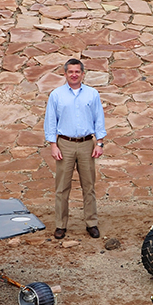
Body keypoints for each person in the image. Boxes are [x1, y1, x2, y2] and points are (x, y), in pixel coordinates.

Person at [44, 58, 107, 239]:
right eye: (70, 72)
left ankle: (91, 223)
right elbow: (51, 121)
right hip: (65, 144)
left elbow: (98, 118)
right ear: (65, 74)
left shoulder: (92, 94)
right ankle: (60, 225)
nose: (74, 74)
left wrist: (100, 142)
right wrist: (53, 145)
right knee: (62, 187)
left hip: (87, 144)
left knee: (89, 186)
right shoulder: (56, 95)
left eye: (77, 71)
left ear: (82, 74)